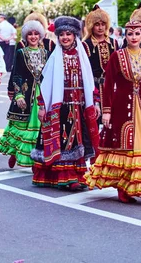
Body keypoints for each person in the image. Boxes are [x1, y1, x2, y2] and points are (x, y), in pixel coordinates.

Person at [85, 21, 141, 203]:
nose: (134, 37)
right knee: (123, 145)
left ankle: (135, 184)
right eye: (130, 34)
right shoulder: (117, 56)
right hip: (120, 107)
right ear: (125, 36)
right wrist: (106, 111)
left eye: (137, 34)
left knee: (139, 146)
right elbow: (108, 83)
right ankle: (122, 186)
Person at [31, 16, 100, 190]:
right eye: (62, 34)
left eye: (69, 34)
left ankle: (75, 175)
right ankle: (62, 177)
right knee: (62, 140)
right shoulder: (55, 57)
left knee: (77, 142)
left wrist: (96, 102)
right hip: (59, 107)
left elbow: (90, 83)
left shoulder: (81, 56)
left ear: (75, 35)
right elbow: (45, 85)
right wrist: (41, 106)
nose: (65, 38)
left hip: (79, 106)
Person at [0, 20, 48, 168]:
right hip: (25, 93)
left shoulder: (46, 53)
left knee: (39, 129)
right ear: (25, 36)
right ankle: (14, 153)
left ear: (40, 36)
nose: (33, 37)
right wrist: (18, 95)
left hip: (41, 95)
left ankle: (35, 160)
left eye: (36, 33)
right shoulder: (20, 53)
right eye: (30, 34)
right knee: (20, 126)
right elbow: (17, 74)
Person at [82, 5, 119, 125]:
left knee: (113, 124)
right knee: (93, 125)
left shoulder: (114, 43)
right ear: (91, 26)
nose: (100, 27)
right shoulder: (85, 45)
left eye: (103, 24)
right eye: (97, 24)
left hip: (111, 88)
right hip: (94, 88)